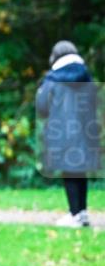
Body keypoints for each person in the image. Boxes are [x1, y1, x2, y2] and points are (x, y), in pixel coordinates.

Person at [36, 40, 100, 228]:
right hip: (86, 130)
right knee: (79, 171)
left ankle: (74, 215)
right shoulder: (86, 76)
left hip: (62, 130)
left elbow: (42, 108)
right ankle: (82, 213)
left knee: (69, 171)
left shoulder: (52, 79)